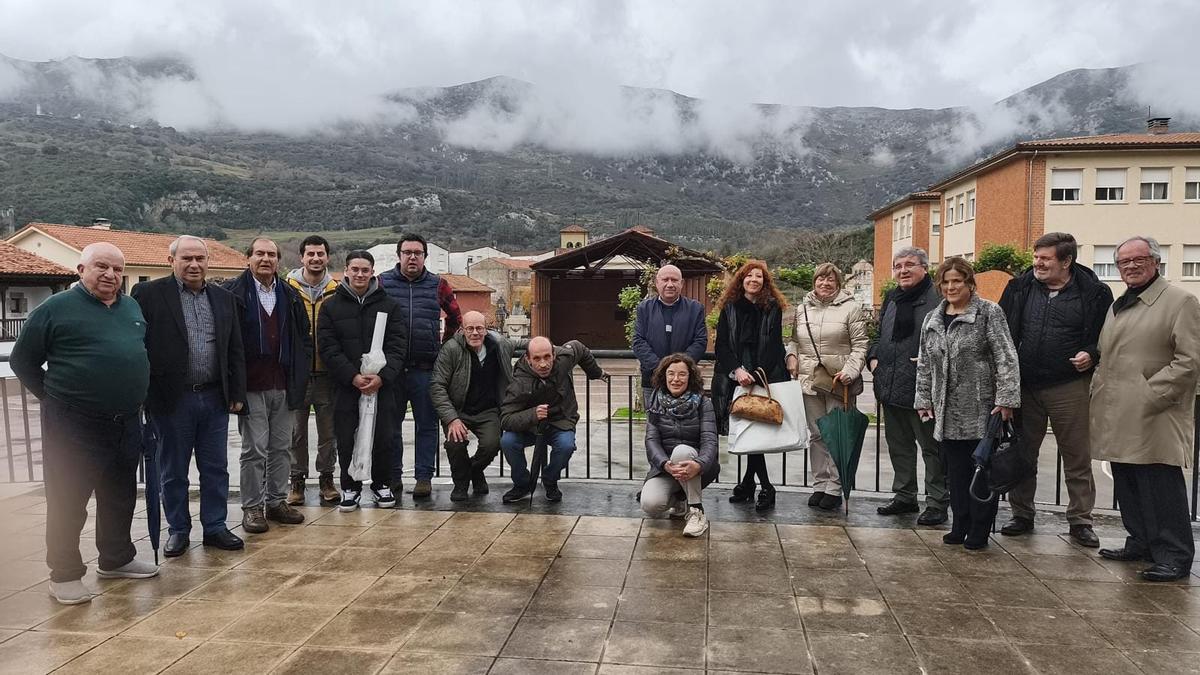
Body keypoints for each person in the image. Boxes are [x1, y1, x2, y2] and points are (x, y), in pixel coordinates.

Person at [11, 243, 158, 605]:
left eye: (116, 269)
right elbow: (22, 361)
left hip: (124, 421)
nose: (110, 275)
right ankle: (63, 574)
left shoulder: (131, 307)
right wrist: (55, 400)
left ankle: (116, 558)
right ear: (81, 269)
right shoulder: (55, 309)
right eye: (101, 267)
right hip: (73, 425)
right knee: (68, 500)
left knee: (120, 494)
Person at [1092, 236, 1200, 582]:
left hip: (1156, 414)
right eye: (1124, 261)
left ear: (1156, 261)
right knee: (1128, 481)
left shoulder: (1180, 301)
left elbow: (1189, 361)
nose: (1132, 266)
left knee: (1160, 486)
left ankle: (1174, 555)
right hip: (1119, 410)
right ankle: (1139, 541)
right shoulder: (1120, 303)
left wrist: (1150, 396)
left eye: (1140, 259)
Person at [132, 236, 246, 557]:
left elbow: (234, 348)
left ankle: (215, 527)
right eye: (187, 259)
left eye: (200, 259)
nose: (194, 265)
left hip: (213, 398)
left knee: (216, 468)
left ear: (207, 262)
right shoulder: (149, 295)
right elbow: (138, 345)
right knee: (173, 471)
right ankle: (178, 530)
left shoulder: (224, 298)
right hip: (171, 400)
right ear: (171, 261)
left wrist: (236, 392)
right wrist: (145, 395)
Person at [997, 232, 1113, 546]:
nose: (1038, 264)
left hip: (1069, 386)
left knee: (1077, 457)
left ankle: (1080, 521)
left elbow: (1106, 337)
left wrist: (1092, 353)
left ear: (1066, 261)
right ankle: (1021, 514)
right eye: (1036, 257)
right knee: (1023, 454)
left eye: (1045, 258)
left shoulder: (1095, 293)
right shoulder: (1019, 287)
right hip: (1025, 386)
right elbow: (1001, 333)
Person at [915, 257, 1020, 550]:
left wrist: (1006, 400)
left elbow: (1006, 357)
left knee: (980, 472)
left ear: (970, 283)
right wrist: (923, 399)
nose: (950, 287)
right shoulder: (933, 319)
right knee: (956, 472)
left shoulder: (988, 312)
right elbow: (925, 363)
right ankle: (959, 522)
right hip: (946, 411)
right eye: (945, 282)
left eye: (956, 281)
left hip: (981, 408)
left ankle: (979, 527)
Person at [224, 238, 312, 533]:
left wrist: (299, 380)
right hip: (250, 385)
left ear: (278, 260)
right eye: (259, 253)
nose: (266, 259)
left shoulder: (289, 294)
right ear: (247, 258)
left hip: (283, 383)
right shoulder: (232, 294)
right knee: (254, 449)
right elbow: (226, 346)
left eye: (271, 254)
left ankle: (276, 502)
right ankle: (252, 507)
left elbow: (302, 339)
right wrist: (233, 389)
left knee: (281, 448)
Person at [318, 251, 408, 511]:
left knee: (384, 436)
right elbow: (328, 347)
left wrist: (382, 377)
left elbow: (398, 346)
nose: (359, 274)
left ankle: (382, 485)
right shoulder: (331, 307)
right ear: (346, 271)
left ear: (372, 272)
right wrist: (352, 376)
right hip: (347, 386)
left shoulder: (389, 306)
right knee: (346, 437)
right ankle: (350, 487)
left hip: (383, 387)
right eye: (354, 269)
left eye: (365, 270)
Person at [378, 233, 462, 500]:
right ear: (399, 255)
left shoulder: (439, 285)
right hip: (392, 370)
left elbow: (455, 317)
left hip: (426, 368)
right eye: (407, 252)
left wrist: (444, 348)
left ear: (425, 256)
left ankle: (423, 477)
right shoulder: (382, 283)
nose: (412, 257)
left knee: (426, 425)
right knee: (391, 426)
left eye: (417, 252)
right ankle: (393, 476)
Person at [869, 247, 949, 525]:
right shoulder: (892, 298)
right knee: (899, 446)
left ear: (925, 268)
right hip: (891, 385)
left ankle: (938, 501)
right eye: (898, 265)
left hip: (924, 388)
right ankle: (905, 495)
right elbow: (879, 335)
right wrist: (874, 357)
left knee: (932, 448)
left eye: (909, 265)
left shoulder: (938, 299)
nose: (903, 270)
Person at [787, 263, 868, 512]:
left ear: (838, 283)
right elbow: (793, 341)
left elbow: (861, 345)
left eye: (830, 280)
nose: (825, 283)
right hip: (809, 381)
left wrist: (850, 372)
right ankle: (819, 483)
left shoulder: (851, 308)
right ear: (814, 282)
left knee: (838, 434)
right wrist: (791, 356)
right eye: (820, 279)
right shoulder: (802, 309)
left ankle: (835, 485)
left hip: (837, 382)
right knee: (817, 435)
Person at [712, 260, 789, 512]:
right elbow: (721, 344)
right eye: (749, 276)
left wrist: (755, 374)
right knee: (745, 431)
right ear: (741, 279)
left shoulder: (772, 307)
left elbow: (775, 345)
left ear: (765, 282)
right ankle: (751, 483)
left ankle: (763, 486)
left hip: (763, 375)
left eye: (759, 276)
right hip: (735, 377)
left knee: (755, 433)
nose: (754, 280)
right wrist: (737, 370)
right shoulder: (730, 307)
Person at [431, 310, 527, 501]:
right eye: (470, 328)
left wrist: (556, 348)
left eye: (479, 328)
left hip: (488, 410)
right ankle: (460, 485)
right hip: (458, 410)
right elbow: (437, 385)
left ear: (486, 330)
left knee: (493, 443)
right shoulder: (451, 349)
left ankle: (474, 471)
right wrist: (452, 419)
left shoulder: (498, 345)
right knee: (455, 444)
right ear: (462, 330)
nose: (475, 333)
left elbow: (527, 343)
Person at [499, 336, 609, 503]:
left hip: (560, 420)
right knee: (508, 441)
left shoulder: (565, 358)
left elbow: (579, 348)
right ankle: (522, 484)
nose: (543, 364)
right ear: (528, 359)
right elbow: (506, 418)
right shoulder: (519, 381)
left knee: (566, 445)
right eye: (536, 359)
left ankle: (550, 480)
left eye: (547, 357)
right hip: (530, 426)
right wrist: (532, 415)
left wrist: (595, 372)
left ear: (554, 355)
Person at [286, 235, 340, 506]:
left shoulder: (337, 290)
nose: (316, 258)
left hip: (328, 375)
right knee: (296, 432)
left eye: (320, 254)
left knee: (328, 433)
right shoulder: (287, 289)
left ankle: (327, 479)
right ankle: (296, 481)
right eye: (311, 254)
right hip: (297, 375)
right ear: (302, 257)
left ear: (327, 257)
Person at [639, 354, 718, 537]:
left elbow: (710, 441)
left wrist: (699, 463)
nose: (676, 379)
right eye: (671, 373)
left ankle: (696, 512)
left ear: (690, 377)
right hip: (667, 469)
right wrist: (665, 464)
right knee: (650, 504)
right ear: (663, 376)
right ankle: (681, 499)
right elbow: (651, 440)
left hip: (698, 467)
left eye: (682, 374)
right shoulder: (655, 402)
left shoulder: (703, 403)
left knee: (681, 451)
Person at [632, 264, 709, 403]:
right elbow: (638, 341)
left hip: (685, 380)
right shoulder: (644, 308)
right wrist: (661, 368)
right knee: (655, 421)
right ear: (656, 282)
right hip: (652, 379)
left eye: (674, 280)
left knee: (686, 422)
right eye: (665, 280)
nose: (670, 284)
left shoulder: (695, 309)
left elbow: (700, 341)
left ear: (682, 283)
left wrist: (679, 367)